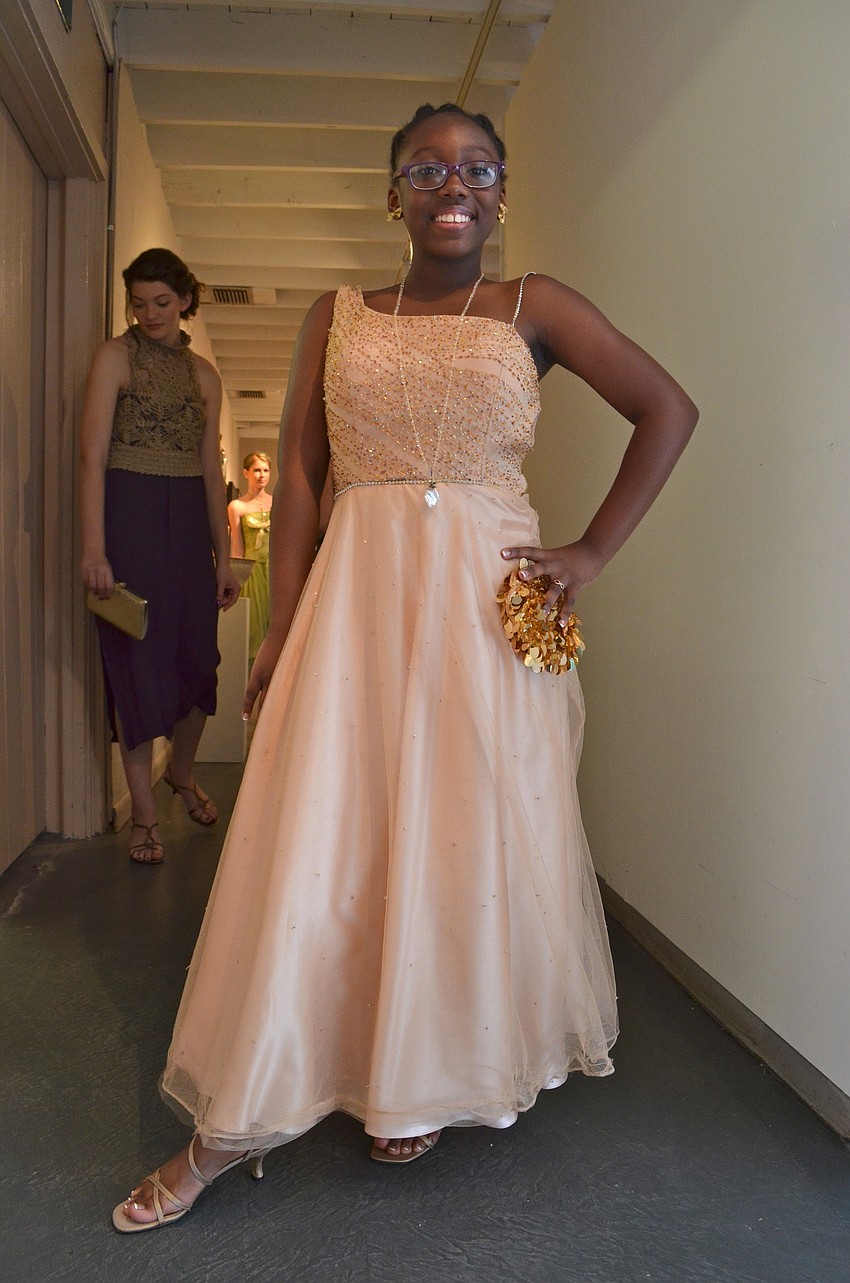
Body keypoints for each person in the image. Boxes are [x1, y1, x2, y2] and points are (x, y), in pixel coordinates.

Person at [112, 104, 697, 1230]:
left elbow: (666, 408)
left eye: (476, 167)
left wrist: (587, 551)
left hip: (486, 605)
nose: (452, 186)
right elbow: (296, 468)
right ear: (393, 194)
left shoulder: (539, 305)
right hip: (357, 596)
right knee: (332, 825)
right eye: (425, 169)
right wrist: (279, 627)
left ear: (502, 189)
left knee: (463, 829)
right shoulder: (337, 315)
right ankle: (237, 1114)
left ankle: (414, 1073)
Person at [80, 247, 240, 866]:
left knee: (201, 661)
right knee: (136, 658)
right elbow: (91, 458)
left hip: (187, 525)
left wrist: (222, 558)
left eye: (162, 303)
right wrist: (94, 548)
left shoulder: (204, 374)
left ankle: (183, 772)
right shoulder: (114, 357)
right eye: (139, 302)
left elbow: (211, 467)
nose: (149, 314)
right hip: (129, 516)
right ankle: (144, 815)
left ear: (186, 301)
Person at [227, 452, 274, 661]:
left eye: (265, 470)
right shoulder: (237, 506)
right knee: (253, 632)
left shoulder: (277, 503)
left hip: (274, 572)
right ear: (246, 473)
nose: (261, 475)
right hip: (252, 574)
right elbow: (236, 546)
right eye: (257, 470)